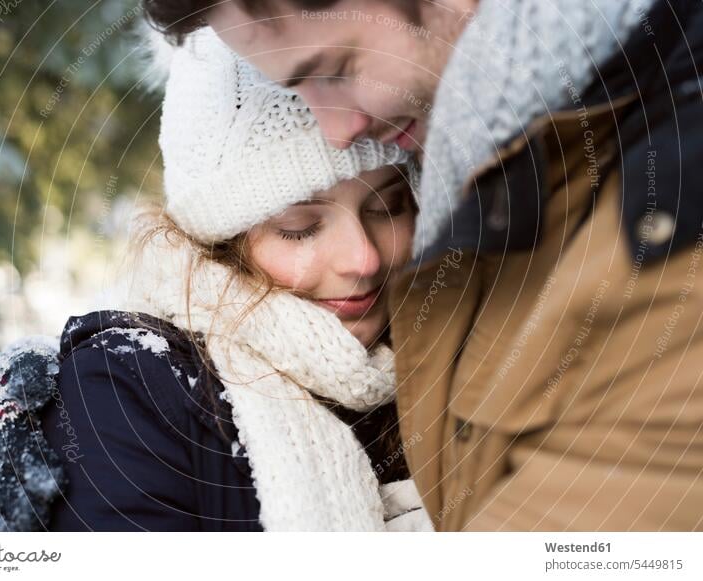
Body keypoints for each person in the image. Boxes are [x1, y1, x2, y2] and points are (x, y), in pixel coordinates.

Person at [142, 0, 703, 530]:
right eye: (298, 227)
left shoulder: (651, 207)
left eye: (336, 68)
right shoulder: (139, 389)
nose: (337, 130)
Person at [0, 27, 432, 532]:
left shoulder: (454, 348)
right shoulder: (127, 395)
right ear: (222, 242)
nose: (363, 259)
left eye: (388, 206)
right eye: (299, 228)